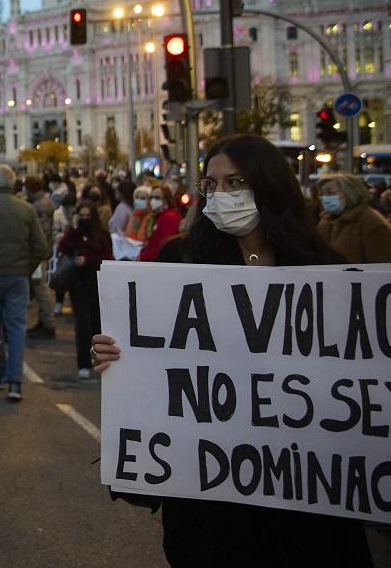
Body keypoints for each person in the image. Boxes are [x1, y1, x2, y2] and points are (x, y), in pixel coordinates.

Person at [92, 134, 374, 568]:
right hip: (212, 497)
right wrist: (116, 355)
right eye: (211, 184)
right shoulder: (179, 262)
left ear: (268, 187)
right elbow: (152, 354)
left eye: (235, 182)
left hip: (302, 492)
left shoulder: (322, 267)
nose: (221, 194)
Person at [0, 164, 49, 401]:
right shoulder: (26, 209)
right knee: (16, 328)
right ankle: (15, 382)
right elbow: (41, 247)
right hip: (17, 277)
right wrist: (25, 268)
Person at [55, 199, 110, 380]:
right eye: (82, 215)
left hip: (96, 283)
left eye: (88, 215)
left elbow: (106, 257)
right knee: (83, 325)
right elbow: (63, 249)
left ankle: (98, 359)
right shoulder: (73, 234)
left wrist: (88, 260)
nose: (85, 219)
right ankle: (84, 363)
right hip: (78, 285)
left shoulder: (101, 235)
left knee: (97, 323)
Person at [315, 173, 391, 263]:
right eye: (322, 194)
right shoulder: (326, 221)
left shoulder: (371, 222)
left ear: (350, 192)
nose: (325, 198)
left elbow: (381, 265)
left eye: (330, 193)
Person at [22, 176, 56, 338]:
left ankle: (48, 323)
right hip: (44, 250)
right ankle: (44, 321)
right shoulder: (46, 201)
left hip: (38, 253)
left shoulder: (37, 206)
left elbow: (37, 233)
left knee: (41, 289)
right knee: (40, 287)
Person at [136, 181, 182, 262]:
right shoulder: (159, 216)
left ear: (166, 200)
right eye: (151, 197)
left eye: (157, 198)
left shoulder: (169, 217)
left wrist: (141, 257)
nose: (153, 200)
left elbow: (162, 248)